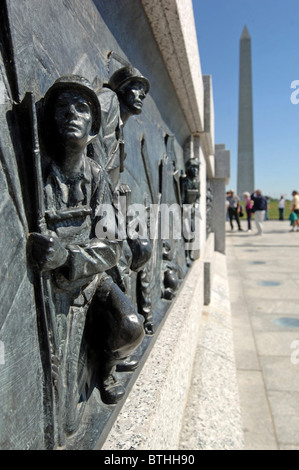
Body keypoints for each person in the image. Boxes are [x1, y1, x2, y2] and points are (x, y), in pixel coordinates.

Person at [28, 75, 145, 406]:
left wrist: (68, 257)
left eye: (81, 108)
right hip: (53, 289)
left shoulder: (97, 176)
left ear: (94, 126)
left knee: (131, 326)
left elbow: (111, 246)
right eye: (62, 107)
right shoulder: (39, 173)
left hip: (91, 279)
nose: (71, 114)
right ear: (50, 120)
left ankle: (105, 366)